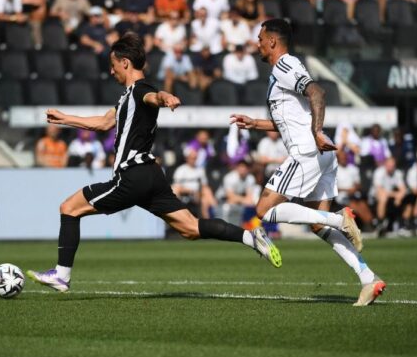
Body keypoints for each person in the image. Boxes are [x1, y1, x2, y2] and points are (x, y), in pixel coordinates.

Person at [27, 33, 282, 293]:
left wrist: (166, 97)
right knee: (191, 228)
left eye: (113, 65)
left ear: (125, 63)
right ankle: (251, 237)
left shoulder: (140, 91)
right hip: (151, 175)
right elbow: (103, 123)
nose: (111, 71)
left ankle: (62, 275)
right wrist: (64, 118)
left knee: (69, 208)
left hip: (132, 176)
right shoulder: (127, 97)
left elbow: (154, 96)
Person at [229, 19, 385, 306]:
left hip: (307, 152)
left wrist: (317, 132)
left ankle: (340, 218)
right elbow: (290, 120)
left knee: (264, 210)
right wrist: (256, 124)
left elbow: (317, 92)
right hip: (321, 154)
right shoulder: (283, 70)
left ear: (273, 41)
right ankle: (368, 278)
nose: (257, 43)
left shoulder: (285, 65)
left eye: (261, 38)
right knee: (316, 224)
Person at [172, 147, 217, 219]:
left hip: (198, 194)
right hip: (185, 194)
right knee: (175, 189)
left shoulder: (200, 170)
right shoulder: (181, 170)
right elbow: (177, 187)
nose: (194, 160)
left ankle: (212, 218)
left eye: (195, 158)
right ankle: (176, 215)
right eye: (192, 158)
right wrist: (191, 191)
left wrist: (199, 192)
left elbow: (204, 185)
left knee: (207, 194)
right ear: (187, 158)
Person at [334, 150, 373, 231]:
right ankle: (369, 224)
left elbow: (358, 184)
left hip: (354, 194)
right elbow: (334, 188)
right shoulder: (335, 170)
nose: (344, 159)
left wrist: (354, 188)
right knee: (353, 205)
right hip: (342, 197)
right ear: (338, 159)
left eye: (345, 157)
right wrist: (347, 190)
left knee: (363, 205)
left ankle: (371, 223)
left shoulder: (353, 169)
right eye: (342, 158)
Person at [371, 157, 410, 235]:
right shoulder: (379, 172)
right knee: (383, 198)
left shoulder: (397, 173)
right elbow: (379, 190)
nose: (391, 168)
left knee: (409, 198)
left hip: (391, 196)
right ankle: (380, 224)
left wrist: (399, 197)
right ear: (385, 164)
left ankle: (404, 225)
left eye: (393, 166)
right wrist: (396, 195)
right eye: (389, 166)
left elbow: (403, 189)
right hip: (375, 196)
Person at [219, 160, 258, 226]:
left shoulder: (250, 178)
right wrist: (244, 200)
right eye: (241, 166)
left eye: (245, 167)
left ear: (248, 169)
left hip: (240, 201)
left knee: (253, 203)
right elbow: (230, 196)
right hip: (222, 200)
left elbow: (250, 196)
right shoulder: (230, 177)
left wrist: (246, 200)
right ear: (237, 167)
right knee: (231, 202)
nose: (242, 169)